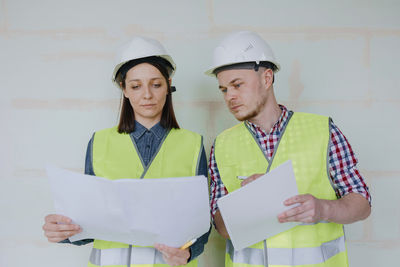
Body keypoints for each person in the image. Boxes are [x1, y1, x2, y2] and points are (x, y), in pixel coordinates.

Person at [206, 31, 371, 267]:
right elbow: (221, 227)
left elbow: (362, 203)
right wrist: (246, 201)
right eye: (223, 89)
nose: (230, 96)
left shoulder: (323, 131)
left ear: (267, 78)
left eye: (237, 85)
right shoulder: (221, 145)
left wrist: (322, 208)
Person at [42, 36, 210, 267]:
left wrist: (189, 253)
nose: (147, 95)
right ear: (124, 89)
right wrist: (65, 232)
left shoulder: (192, 144)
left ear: (168, 85)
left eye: (156, 84)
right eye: (136, 86)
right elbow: (90, 221)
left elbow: (201, 224)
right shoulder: (99, 142)